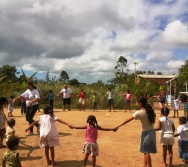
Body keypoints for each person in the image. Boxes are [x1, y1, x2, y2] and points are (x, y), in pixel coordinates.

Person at [114, 96, 156, 167]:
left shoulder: (139, 112)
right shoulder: (149, 110)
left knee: (146, 152)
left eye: (137, 102)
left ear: (140, 103)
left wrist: (118, 126)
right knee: (145, 152)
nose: (136, 103)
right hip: (152, 132)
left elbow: (127, 120)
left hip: (146, 133)